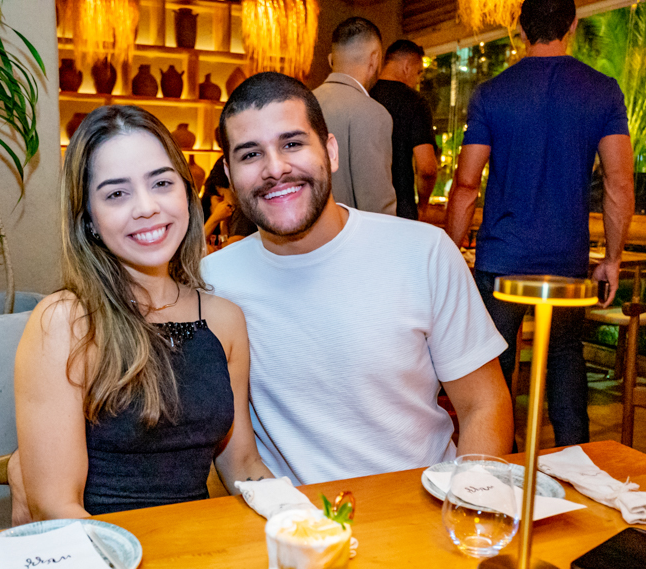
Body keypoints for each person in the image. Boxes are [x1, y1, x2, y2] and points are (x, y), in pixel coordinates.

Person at [202, 72, 513, 485]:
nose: (275, 169)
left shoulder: (423, 252)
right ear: (229, 173)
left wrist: (463, 506)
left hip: (421, 507)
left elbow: (484, 404)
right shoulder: (213, 282)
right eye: (250, 154)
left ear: (330, 151)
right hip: (291, 516)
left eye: (292, 144)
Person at [9, 105, 272, 523]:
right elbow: (55, 506)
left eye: (161, 183)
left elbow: (241, 464)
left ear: (186, 193)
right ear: (88, 218)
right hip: (100, 549)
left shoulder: (224, 320)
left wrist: (298, 519)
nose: (147, 207)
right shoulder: (64, 323)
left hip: (199, 548)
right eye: (116, 194)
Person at [446, 0, 634, 447]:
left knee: (493, 365)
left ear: (520, 27)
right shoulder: (602, 91)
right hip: (565, 258)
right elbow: (619, 182)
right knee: (565, 358)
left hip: (501, 257)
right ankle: (577, 466)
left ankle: (494, 467)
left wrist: (450, 252)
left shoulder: (492, 93)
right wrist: (612, 258)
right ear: (572, 25)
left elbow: (466, 185)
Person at [312, 17, 397, 216]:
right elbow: (377, 207)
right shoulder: (372, 113)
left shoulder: (302, 104)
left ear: (331, 60)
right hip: (348, 234)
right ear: (375, 59)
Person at [370, 39, 438, 221]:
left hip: (361, 211)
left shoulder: (364, 95)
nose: (418, 80)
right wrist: (423, 205)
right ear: (406, 66)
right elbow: (427, 169)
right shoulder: (415, 102)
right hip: (400, 212)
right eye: (418, 72)